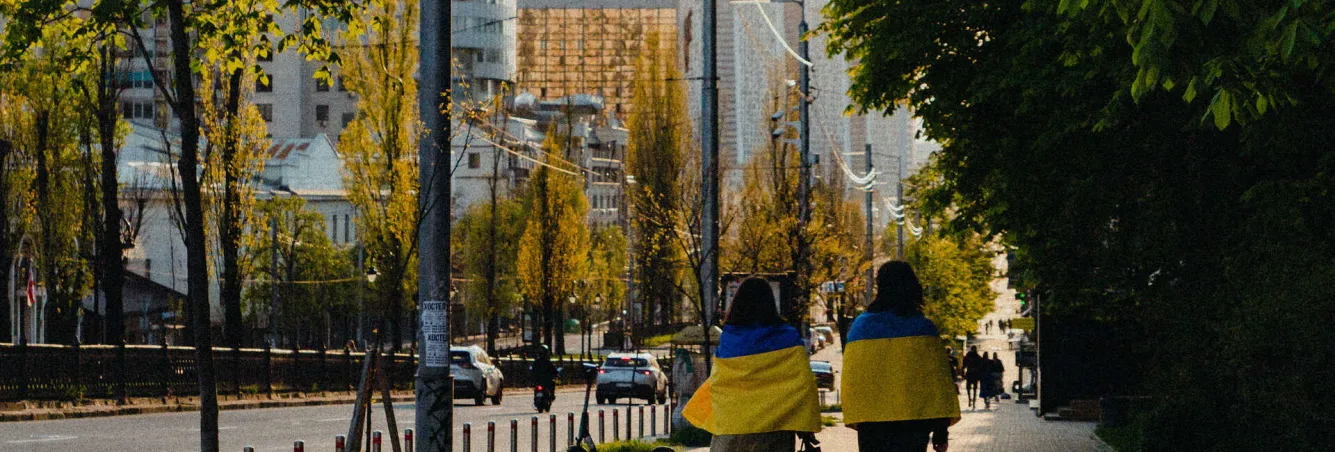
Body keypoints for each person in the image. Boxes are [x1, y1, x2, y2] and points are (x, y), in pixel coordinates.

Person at [683, 278, 821, 452]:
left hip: (732, 431)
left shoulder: (729, 338)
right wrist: (806, 425)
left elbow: (720, 383)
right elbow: (803, 384)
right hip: (776, 431)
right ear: (770, 304)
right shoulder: (788, 337)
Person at [843, 261, 960, 452]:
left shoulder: (861, 327)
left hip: (872, 425)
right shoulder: (923, 327)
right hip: (914, 426)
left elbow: (853, 382)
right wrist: (941, 431)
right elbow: (937, 385)